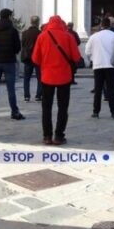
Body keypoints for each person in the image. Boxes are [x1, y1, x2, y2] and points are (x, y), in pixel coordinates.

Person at [32, 14, 82, 145]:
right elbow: (76, 57)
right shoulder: (68, 36)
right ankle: (59, 136)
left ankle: (47, 136)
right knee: (63, 107)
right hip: (64, 77)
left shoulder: (42, 36)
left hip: (47, 77)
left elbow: (35, 59)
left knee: (46, 108)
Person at [0, 8, 25, 121]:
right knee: (11, 89)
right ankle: (14, 112)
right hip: (9, 62)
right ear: (9, 16)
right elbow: (18, 47)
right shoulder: (13, 30)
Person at [86, 17, 114, 118]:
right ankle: (113, 112)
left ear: (101, 25)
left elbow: (87, 52)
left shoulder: (94, 37)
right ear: (110, 25)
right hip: (111, 66)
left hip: (98, 65)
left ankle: (96, 111)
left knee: (98, 89)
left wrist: (93, 59)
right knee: (111, 89)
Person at [21, 15, 42, 103]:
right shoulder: (40, 33)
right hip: (37, 57)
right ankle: (38, 95)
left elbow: (23, 45)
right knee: (39, 78)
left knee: (26, 78)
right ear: (38, 22)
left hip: (28, 57)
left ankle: (26, 96)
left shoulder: (25, 33)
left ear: (31, 22)